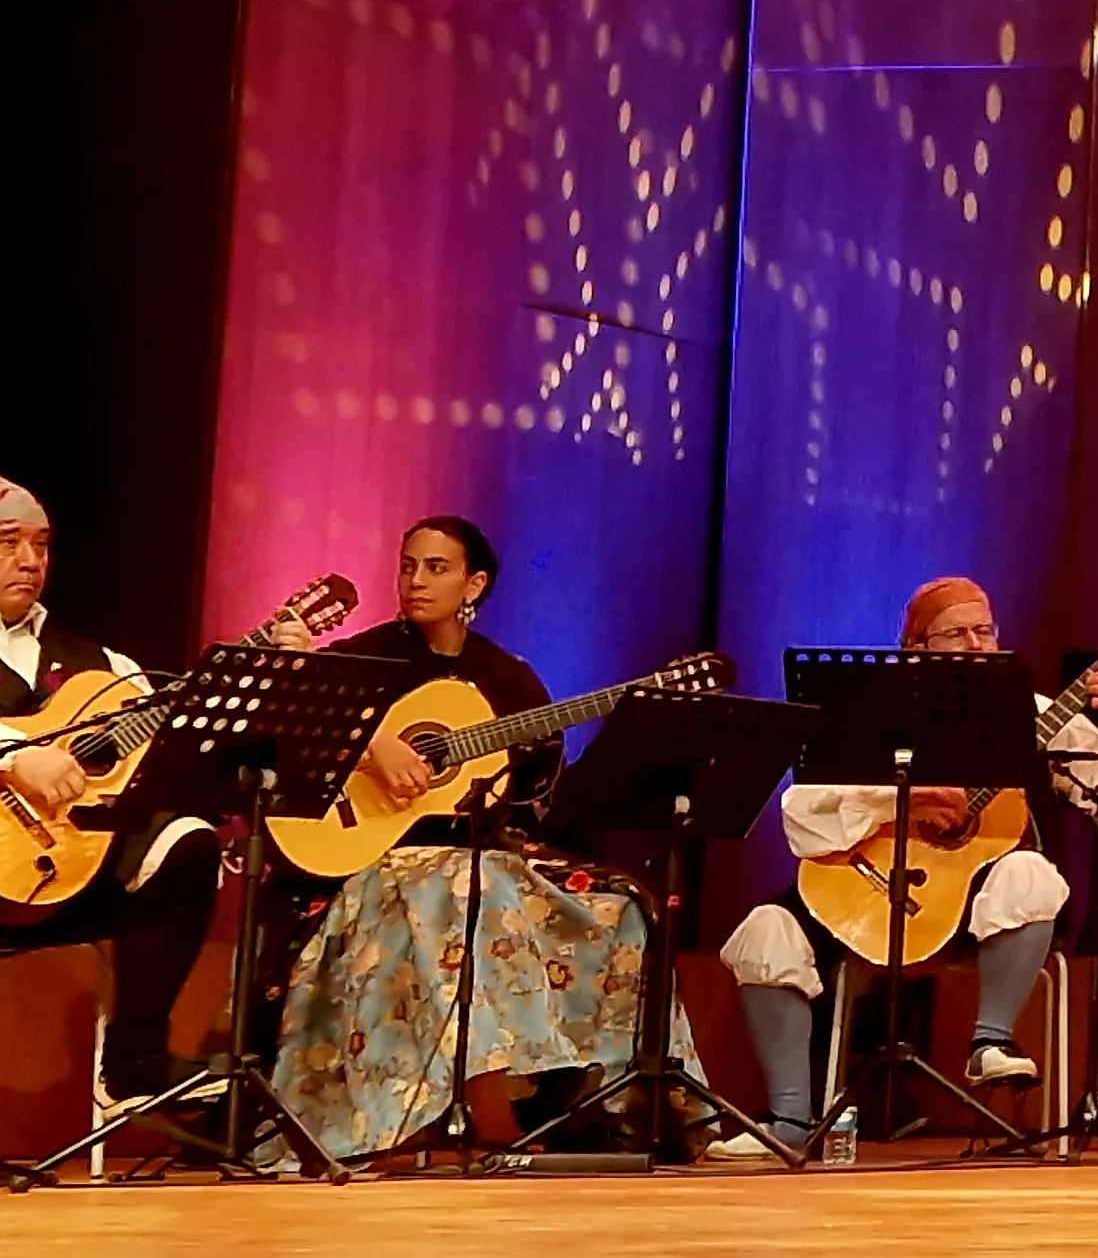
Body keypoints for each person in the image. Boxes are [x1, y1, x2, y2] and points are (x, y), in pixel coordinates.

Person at [265, 516, 686, 1159]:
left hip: (484, 855)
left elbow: (545, 800)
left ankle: (611, 1105)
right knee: (464, 881)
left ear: (475, 583)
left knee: (626, 906)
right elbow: (286, 728)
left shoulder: (507, 680)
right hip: (378, 859)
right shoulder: (361, 660)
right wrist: (374, 745)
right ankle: (492, 1113)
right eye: (409, 564)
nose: (416, 580)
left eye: (437, 567)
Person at [709, 576, 1098, 1158]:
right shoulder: (870, 710)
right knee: (765, 932)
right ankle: (790, 1123)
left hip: (977, 910)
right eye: (958, 633)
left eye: (986, 630)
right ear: (918, 647)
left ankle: (990, 1043)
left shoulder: (1029, 713)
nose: (977, 644)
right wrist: (905, 797)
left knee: (1031, 874)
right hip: (867, 889)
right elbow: (801, 817)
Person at [0, 478, 227, 1107]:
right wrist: (15, 758)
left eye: (41, 545)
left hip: (73, 876)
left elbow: (177, 734)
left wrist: (266, 677)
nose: (30, 561)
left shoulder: (100, 664)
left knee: (187, 843)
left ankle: (136, 1059)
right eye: (8, 543)